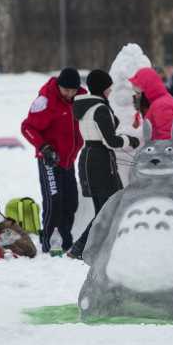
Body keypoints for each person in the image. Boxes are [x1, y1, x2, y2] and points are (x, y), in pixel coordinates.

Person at [68, 70, 139, 259]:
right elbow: (111, 141)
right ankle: (80, 248)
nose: (111, 90)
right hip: (100, 159)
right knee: (108, 208)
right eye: (108, 87)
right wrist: (130, 140)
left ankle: (94, 247)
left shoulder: (88, 106)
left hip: (90, 157)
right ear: (102, 87)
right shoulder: (100, 108)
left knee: (107, 207)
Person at [21, 67, 85, 253]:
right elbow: (27, 128)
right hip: (49, 160)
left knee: (71, 201)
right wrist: (44, 148)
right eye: (66, 90)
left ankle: (65, 240)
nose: (69, 94)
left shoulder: (81, 101)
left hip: (68, 160)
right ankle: (49, 241)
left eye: (73, 90)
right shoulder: (46, 101)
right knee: (54, 201)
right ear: (58, 86)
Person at [128, 67, 173, 150]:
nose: (137, 96)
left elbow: (167, 138)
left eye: (138, 92)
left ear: (147, 88)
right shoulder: (157, 102)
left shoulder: (162, 105)